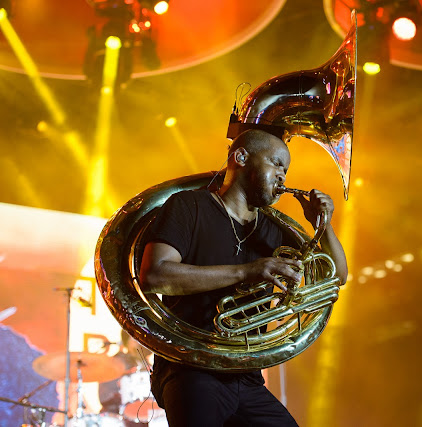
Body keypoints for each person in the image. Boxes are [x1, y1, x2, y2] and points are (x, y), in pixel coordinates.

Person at [139, 128, 348, 426]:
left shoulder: (275, 231)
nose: (282, 177)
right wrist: (248, 271)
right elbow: (155, 275)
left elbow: (336, 277)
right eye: (276, 163)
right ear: (240, 157)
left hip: (247, 377)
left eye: (286, 170)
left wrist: (322, 226)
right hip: (192, 368)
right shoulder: (189, 206)